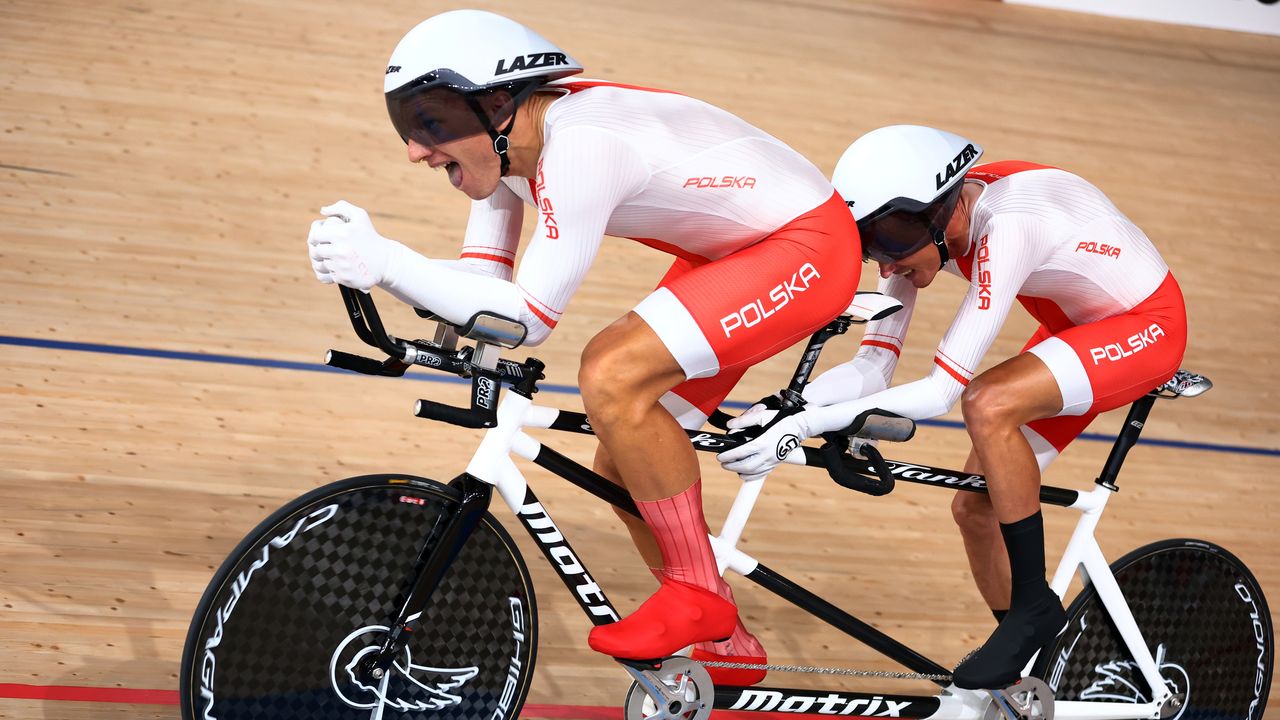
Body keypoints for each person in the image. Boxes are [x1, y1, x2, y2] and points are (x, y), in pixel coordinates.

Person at [305, 10, 862, 685]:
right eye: (408, 126)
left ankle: (698, 596)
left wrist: (388, 262)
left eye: (431, 124)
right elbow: (482, 288)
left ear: (498, 103)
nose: (415, 151)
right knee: (624, 455)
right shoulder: (510, 156)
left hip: (810, 247)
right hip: (732, 251)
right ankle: (728, 643)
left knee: (611, 373)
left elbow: (527, 320)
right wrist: (404, 307)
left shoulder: (583, 146)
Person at [717, 125, 1186, 689]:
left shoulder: (1010, 226)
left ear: (942, 214)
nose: (884, 267)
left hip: (1144, 328)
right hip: (1072, 328)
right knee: (976, 509)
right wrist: (782, 409)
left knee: (988, 402)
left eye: (887, 243)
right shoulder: (920, 232)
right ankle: (1037, 668)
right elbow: (874, 368)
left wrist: (809, 424)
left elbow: (943, 391)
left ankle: (1033, 606)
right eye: (872, 244)